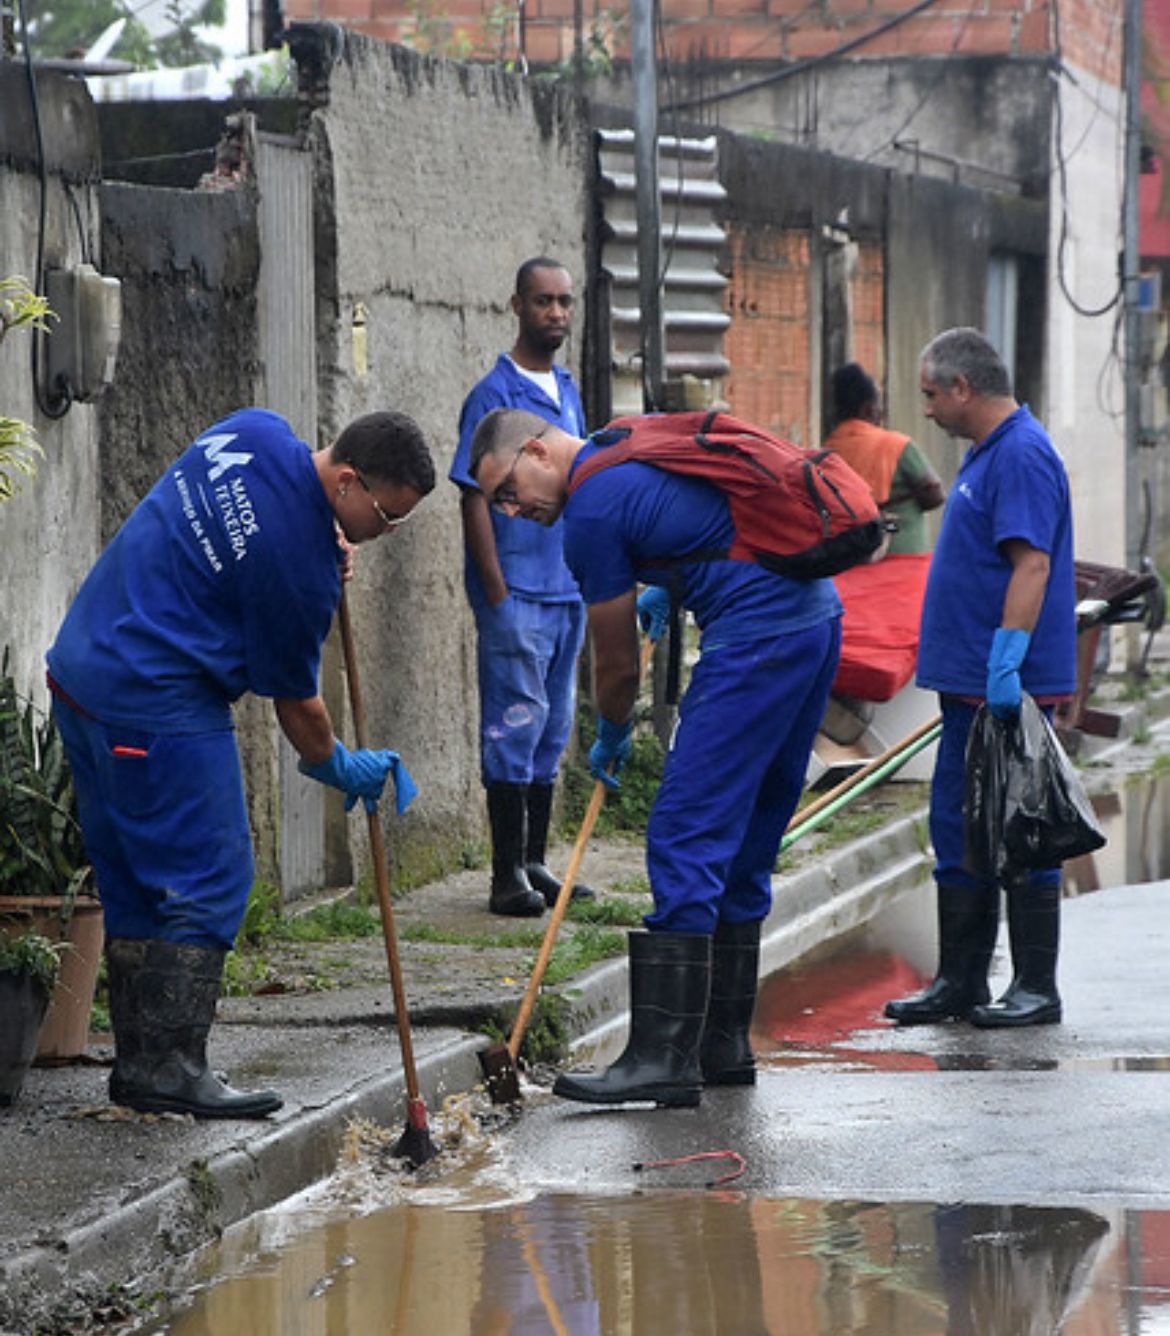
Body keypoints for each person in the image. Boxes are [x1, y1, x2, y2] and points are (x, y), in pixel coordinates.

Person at [46, 407, 435, 1118]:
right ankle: (170, 1066)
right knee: (209, 876)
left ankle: (143, 1067)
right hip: (154, 700)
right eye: (386, 515)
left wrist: (325, 539)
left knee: (135, 877)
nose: (385, 533)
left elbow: (245, 534)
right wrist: (340, 765)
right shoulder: (300, 571)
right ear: (348, 480)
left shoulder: (253, 431)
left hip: (83, 668)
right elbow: (297, 709)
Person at [469, 406, 843, 1107]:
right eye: (498, 506)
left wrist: (611, 729)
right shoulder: (623, 442)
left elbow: (613, 666)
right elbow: (697, 518)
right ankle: (721, 1045)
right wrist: (671, 582)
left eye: (507, 491)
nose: (513, 512)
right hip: (815, 620)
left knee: (684, 829)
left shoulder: (590, 511)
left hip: (758, 637)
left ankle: (660, 1059)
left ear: (538, 451)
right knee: (748, 836)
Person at [884, 328, 1077, 1029]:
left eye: (931, 394)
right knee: (960, 827)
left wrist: (1006, 660)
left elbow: (1031, 564)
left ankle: (1034, 987)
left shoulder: (1020, 455)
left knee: (1021, 826)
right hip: (967, 685)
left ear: (963, 387)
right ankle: (961, 981)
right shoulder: (986, 454)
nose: (928, 409)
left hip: (1004, 685)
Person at [449, 257, 594, 917]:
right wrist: (497, 591)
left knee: (551, 726)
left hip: (568, 588)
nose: (556, 313)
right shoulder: (493, 393)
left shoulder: (568, 388)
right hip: (518, 591)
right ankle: (504, 873)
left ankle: (536, 859)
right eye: (543, 302)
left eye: (565, 301)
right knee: (512, 722)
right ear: (517, 306)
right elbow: (475, 495)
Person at [823, 361, 945, 555]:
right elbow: (935, 495)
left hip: (850, 561)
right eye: (880, 403)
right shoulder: (897, 446)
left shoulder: (826, 452)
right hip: (901, 550)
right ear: (868, 409)